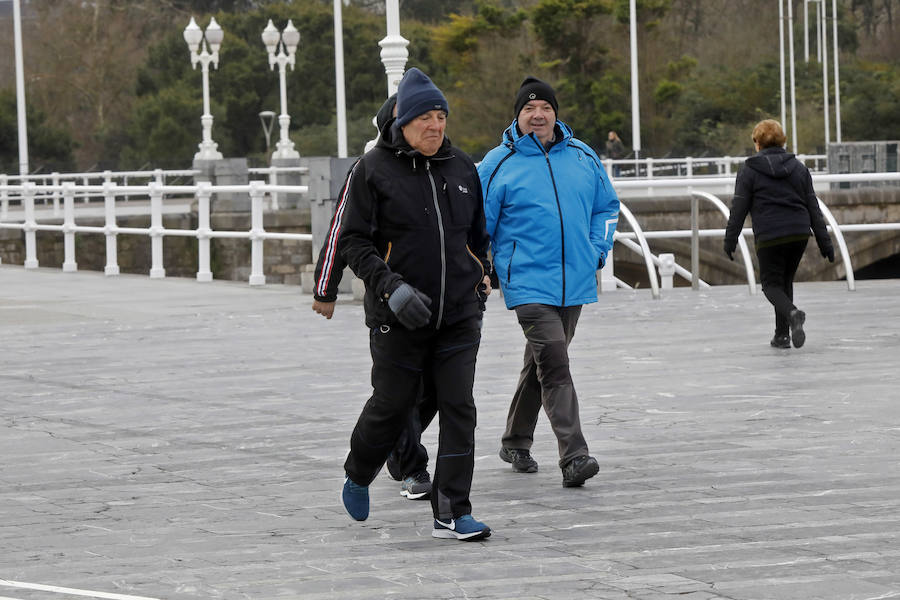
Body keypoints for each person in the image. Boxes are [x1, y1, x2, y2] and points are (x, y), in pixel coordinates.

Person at [338, 68, 493, 541]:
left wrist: (484, 274)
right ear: (402, 121)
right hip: (397, 318)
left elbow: (477, 238)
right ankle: (359, 471)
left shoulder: (463, 168)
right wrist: (390, 288)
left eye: (441, 115)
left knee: (458, 406)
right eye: (425, 116)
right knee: (393, 404)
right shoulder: (372, 170)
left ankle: (451, 511)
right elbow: (353, 242)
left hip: (459, 317)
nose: (435, 124)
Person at [477, 76, 620, 488]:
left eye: (545, 108)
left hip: (575, 278)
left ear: (555, 113)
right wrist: (482, 269)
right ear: (517, 115)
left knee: (541, 362)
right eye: (528, 109)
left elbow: (606, 207)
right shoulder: (496, 163)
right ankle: (574, 455)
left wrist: (597, 249)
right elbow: (476, 225)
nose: (537, 115)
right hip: (526, 281)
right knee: (555, 361)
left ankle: (515, 440)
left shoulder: (583, 155)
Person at [312, 94, 436, 502]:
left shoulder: (436, 165)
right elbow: (342, 234)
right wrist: (325, 288)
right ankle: (409, 464)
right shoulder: (368, 170)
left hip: (439, 307)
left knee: (432, 390)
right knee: (398, 392)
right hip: (389, 304)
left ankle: (400, 453)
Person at [724, 119, 834, 349]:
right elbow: (813, 207)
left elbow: (739, 207)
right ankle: (782, 335)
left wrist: (730, 239)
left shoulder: (749, 171)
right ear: (782, 140)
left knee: (770, 285)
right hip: (799, 233)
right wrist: (825, 243)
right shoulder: (799, 168)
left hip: (770, 234)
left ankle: (793, 315)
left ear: (757, 143)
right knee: (784, 281)